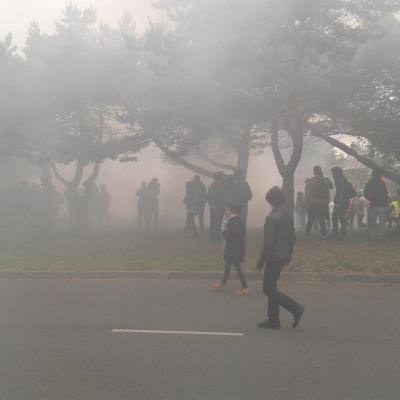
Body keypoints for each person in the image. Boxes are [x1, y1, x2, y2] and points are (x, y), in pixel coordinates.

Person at [256, 187, 304, 330]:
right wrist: (289, 254)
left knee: (267, 289)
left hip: (274, 257)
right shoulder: (286, 216)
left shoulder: (271, 218)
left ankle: (295, 308)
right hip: (283, 255)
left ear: (270, 201)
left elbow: (268, 244)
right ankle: (273, 320)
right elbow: (292, 237)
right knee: (272, 287)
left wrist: (260, 262)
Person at [211, 205, 250, 296]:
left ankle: (245, 288)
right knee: (228, 267)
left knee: (237, 268)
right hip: (235, 248)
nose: (225, 211)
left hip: (233, 249)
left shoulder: (232, 221)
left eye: (227, 210)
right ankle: (222, 284)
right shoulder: (238, 220)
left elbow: (228, 236)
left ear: (232, 211)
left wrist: (223, 230)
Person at [305, 166, 332, 238]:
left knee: (310, 218)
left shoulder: (311, 181)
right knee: (321, 218)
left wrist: (306, 202)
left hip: (314, 202)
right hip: (324, 202)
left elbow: (308, 192)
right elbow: (331, 187)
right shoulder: (326, 180)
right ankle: (323, 233)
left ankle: (307, 233)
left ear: (314, 172)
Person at [331, 167, 357, 239]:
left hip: (341, 201)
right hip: (344, 201)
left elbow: (340, 192)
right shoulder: (343, 179)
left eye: (333, 173)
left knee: (336, 217)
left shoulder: (339, 180)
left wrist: (338, 202)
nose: (332, 175)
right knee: (340, 217)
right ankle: (342, 233)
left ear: (336, 173)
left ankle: (337, 232)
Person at [364, 169, 389, 240]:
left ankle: (373, 236)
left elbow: (365, 193)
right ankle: (380, 237)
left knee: (373, 222)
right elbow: (386, 194)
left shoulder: (370, 182)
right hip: (382, 205)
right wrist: (386, 202)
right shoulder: (382, 183)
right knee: (382, 222)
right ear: (379, 175)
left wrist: (370, 199)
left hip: (373, 204)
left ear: (373, 175)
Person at [207, 172, 226, 243]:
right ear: (219, 178)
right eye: (223, 177)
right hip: (218, 207)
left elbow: (208, 197)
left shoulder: (212, 186)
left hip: (214, 207)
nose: (224, 178)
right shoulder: (218, 186)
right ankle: (216, 238)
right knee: (217, 223)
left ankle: (213, 237)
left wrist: (211, 204)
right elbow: (220, 197)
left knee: (214, 222)